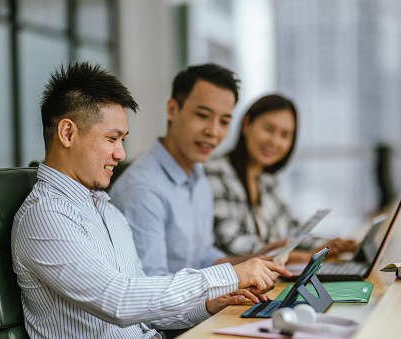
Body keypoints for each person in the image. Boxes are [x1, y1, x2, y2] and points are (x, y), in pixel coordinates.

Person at [11, 62, 291, 338]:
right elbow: (118, 300)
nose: (120, 154)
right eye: (111, 139)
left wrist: (210, 303)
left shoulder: (105, 209)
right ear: (68, 133)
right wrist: (229, 275)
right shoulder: (46, 215)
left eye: (123, 140)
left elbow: (143, 305)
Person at [110, 64, 285, 277]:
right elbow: (153, 287)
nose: (213, 131)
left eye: (224, 121)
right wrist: (231, 281)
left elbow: (203, 257)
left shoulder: (199, 177)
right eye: (203, 115)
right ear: (173, 109)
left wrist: (254, 261)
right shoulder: (142, 189)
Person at [204, 94, 357, 262]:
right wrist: (297, 256)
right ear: (246, 125)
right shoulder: (215, 172)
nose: (275, 141)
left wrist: (328, 245)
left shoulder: (268, 179)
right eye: (268, 129)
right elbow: (232, 243)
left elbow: (290, 232)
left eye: (285, 135)